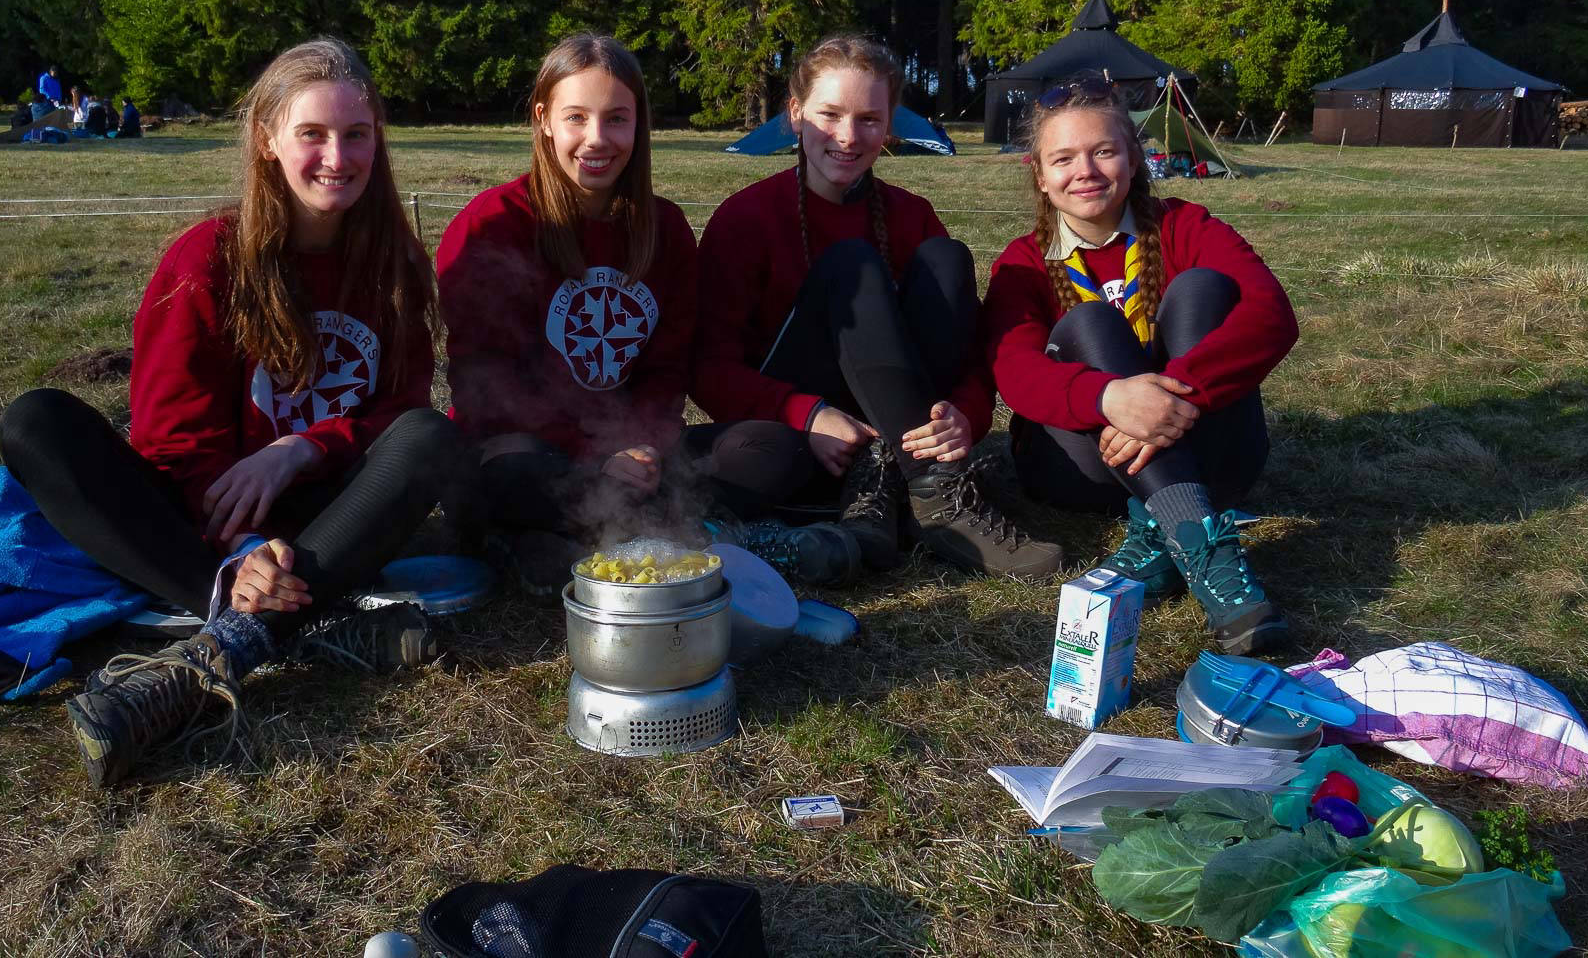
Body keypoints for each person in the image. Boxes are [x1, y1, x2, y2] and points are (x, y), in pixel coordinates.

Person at [0, 38, 473, 786]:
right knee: (36, 423)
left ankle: (215, 654)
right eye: (312, 133)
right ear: (266, 138)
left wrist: (303, 449)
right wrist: (238, 551)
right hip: (206, 511)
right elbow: (174, 442)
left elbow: (398, 411)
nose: (337, 157)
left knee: (430, 437)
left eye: (356, 134)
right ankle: (278, 620)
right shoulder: (206, 259)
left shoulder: (396, 262)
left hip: (327, 515)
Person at [693, 34, 1060, 580]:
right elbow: (708, 368)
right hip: (807, 426)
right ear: (795, 114)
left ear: (890, 125)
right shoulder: (746, 218)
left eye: (868, 119)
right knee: (851, 265)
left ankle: (917, 486)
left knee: (946, 259)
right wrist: (808, 413)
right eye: (829, 115)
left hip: (897, 423)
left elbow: (970, 348)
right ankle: (917, 488)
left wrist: (964, 415)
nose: (847, 136)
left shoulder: (911, 214)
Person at [980, 74, 1298, 655]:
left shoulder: (1185, 224)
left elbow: (1272, 315)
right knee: (1090, 324)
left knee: (1203, 289)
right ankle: (1208, 553)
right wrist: (1110, 399)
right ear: (1040, 175)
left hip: (1207, 445)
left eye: (1104, 151)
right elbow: (1013, 371)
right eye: (1064, 158)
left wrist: (1174, 396)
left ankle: (1164, 529)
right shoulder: (1023, 261)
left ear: (1132, 158)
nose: (1086, 171)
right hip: (1082, 467)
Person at [434, 33, 698, 593]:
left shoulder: (667, 229)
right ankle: (527, 538)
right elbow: (485, 386)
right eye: (576, 117)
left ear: (639, 124)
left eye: (617, 119)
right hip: (522, 450)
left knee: (740, 458)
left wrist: (645, 444)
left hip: (624, 452)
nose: (597, 138)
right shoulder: (492, 224)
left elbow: (669, 367)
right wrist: (594, 457)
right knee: (515, 472)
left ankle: (556, 547)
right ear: (543, 119)